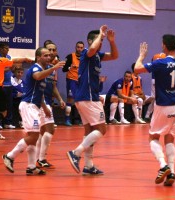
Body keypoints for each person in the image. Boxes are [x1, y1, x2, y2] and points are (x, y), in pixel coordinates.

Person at [134, 34, 175, 186]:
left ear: (164, 45)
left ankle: (163, 166)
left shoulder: (161, 62)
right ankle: (172, 172)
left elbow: (137, 69)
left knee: (153, 137)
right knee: (170, 138)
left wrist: (141, 56)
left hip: (164, 105)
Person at [2, 47, 65, 175]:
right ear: (38, 57)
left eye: (49, 55)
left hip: (35, 106)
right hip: (28, 106)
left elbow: (39, 93)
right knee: (33, 136)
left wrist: (45, 107)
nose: (49, 57)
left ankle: (31, 167)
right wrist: (53, 68)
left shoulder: (43, 71)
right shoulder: (36, 68)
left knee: (33, 137)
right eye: (45, 55)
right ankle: (10, 156)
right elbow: (37, 76)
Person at [66, 25, 118, 175]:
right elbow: (92, 48)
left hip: (86, 98)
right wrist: (100, 34)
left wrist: (111, 41)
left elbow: (115, 56)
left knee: (89, 131)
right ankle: (75, 153)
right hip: (88, 97)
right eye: (99, 39)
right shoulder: (85, 53)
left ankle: (88, 165)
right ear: (90, 40)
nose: (101, 41)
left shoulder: (98, 55)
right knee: (102, 129)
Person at [36, 43, 66, 169]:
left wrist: (60, 99)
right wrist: (44, 105)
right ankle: (41, 159)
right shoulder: (40, 68)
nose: (52, 52)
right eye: (49, 50)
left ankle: (38, 159)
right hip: (40, 102)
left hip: (47, 101)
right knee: (49, 130)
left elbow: (53, 87)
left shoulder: (52, 69)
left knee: (42, 132)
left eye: (54, 50)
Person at [62, 41, 85, 126]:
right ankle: (67, 119)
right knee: (70, 99)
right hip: (71, 80)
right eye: (78, 47)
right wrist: (69, 67)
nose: (80, 49)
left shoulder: (85, 57)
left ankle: (78, 119)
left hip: (81, 81)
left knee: (81, 100)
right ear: (75, 47)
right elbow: (63, 69)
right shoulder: (70, 56)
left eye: (81, 47)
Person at [0, 42, 15, 129]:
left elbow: (11, 69)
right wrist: (9, 68)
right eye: (6, 48)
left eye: (8, 48)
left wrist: (13, 68)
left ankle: (7, 122)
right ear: (0, 49)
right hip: (0, 84)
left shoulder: (9, 57)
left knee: (9, 105)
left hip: (9, 84)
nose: (7, 50)